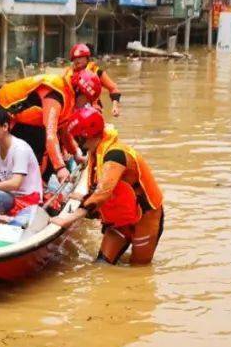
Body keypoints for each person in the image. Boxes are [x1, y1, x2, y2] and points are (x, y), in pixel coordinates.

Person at [51, 107, 165, 266]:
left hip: (145, 216)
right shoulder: (96, 150)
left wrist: (67, 220)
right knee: (101, 266)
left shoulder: (115, 155)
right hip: (120, 218)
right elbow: (98, 182)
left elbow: (102, 193)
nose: (75, 141)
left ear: (84, 136)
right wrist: (82, 196)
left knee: (139, 268)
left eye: (76, 137)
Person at [0, 68, 103, 184]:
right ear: (79, 91)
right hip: (5, 117)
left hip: (24, 122)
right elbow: (50, 134)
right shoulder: (56, 95)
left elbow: (64, 130)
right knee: (44, 141)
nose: (85, 105)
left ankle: (38, 182)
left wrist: (75, 152)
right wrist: (60, 168)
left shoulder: (69, 97)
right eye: (86, 100)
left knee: (53, 145)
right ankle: (31, 184)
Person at [0, 105, 43, 219]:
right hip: (7, 195)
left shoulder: (20, 148)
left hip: (26, 198)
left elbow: (15, 184)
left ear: (5, 126)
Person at [65, 43, 122, 117]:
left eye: (80, 57)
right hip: (74, 112)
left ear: (87, 58)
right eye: (75, 58)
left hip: (94, 110)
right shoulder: (68, 74)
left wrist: (115, 107)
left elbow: (113, 89)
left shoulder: (96, 72)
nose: (77, 60)